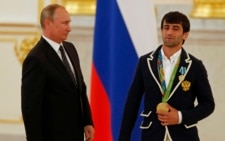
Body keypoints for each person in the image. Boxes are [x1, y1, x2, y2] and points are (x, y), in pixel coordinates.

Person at [118, 11, 215, 141]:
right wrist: (123, 137)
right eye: (166, 27)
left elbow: (208, 105)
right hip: (152, 135)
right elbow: (132, 102)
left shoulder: (195, 65)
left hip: (184, 135)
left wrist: (180, 116)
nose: (169, 32)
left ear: (185, 34)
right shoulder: (145, 62)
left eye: (175, 29)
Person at [21, 4, 94, 141]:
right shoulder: (36, 59)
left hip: (75, 134)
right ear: (48, 23)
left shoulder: (70, 49)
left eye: (69, 22)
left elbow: (80, 89)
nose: (69, 28)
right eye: (65, 23)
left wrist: (87, 121)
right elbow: (31, 108)